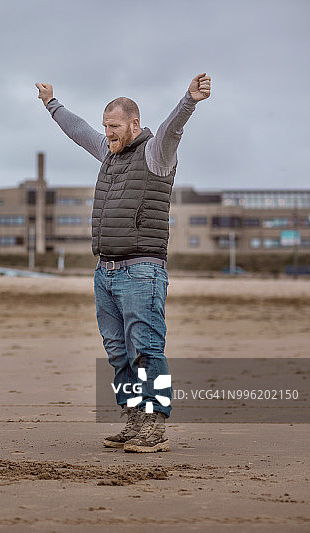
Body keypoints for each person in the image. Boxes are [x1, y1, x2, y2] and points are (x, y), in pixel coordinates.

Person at [36, 73, 211, 453]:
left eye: (114, 127)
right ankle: (133, 419)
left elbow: (172, 128)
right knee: (118, 351)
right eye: (106, 127)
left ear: (134, 124)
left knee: (146, 347)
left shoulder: (155, 152)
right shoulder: (109, 154)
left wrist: (189, 100)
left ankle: (155, 424)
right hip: (106, 272)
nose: (108, 133)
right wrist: (52, 104)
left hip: (141, 271)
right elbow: (79, 130)